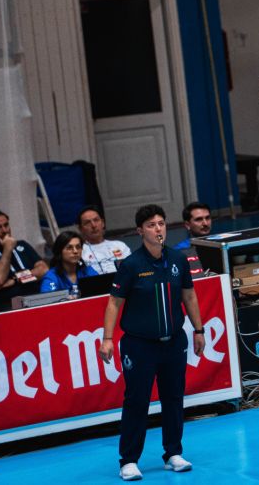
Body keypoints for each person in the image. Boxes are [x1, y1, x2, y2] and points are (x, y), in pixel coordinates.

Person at [99, 204, 205, 481]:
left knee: (173, 397)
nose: (158, 229)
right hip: (139, 345)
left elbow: (189, 296)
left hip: (174, 342)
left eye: (161, 223)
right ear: (140, 231)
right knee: (137, 401)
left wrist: (199, 330)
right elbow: (114, 303)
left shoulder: (178, 259)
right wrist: (107, 338)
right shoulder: (131, 265)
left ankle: (173, 454)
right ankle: (128, 460)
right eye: (151, 225)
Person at [0, 209, 49, 313]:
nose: (4, 230)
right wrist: (7, 249)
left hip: (37, 302)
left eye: (6, 225)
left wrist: (15, 280)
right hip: (6, 310)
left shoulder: (22, 245)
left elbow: (43, 270)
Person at [78, 205, 131, 274]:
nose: (93, 225)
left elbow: (132, 270)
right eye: (87, 223)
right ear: (81, 229)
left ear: (103, 223)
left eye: (96, 220)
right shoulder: (79, 252)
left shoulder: (120, 245)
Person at [174, 202, 212, 275]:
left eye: (207, 218)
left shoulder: (221, 245)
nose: (205, 223)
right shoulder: (180, 251)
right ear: (187, 225)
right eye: (199, 219)